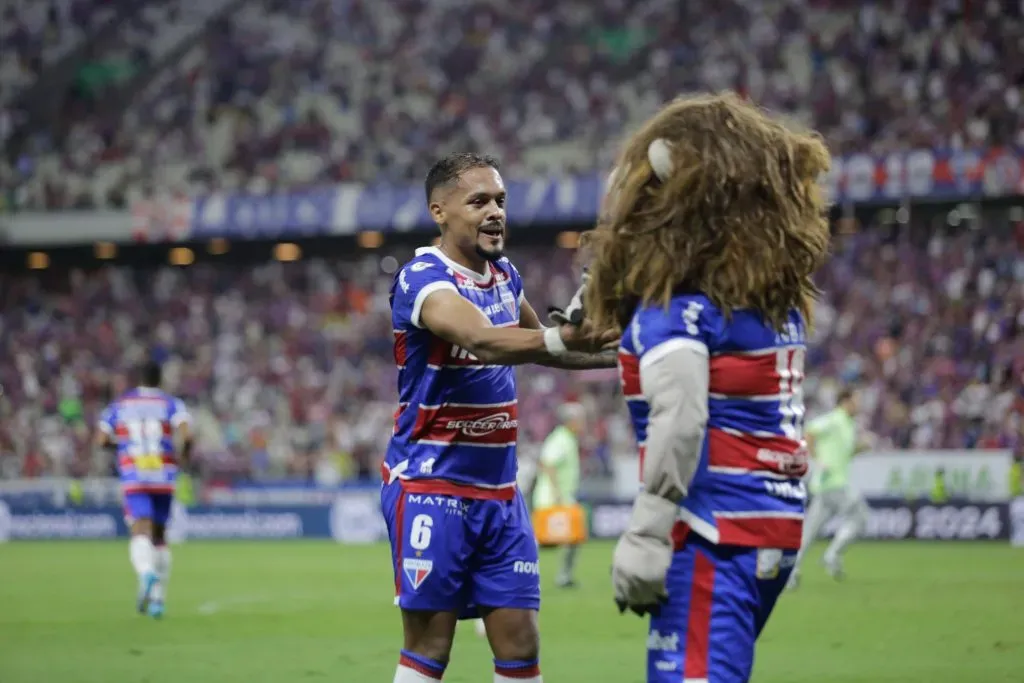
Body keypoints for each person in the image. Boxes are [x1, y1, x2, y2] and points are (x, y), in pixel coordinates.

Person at [584, 92, 832, 682]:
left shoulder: (678, 314)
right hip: (772, 525)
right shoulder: (771, 309)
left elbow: (682, 417)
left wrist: (646, 529)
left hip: (710, 531)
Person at [382, 152, 617, 683]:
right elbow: (484, 341)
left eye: (501, 201)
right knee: (429, 645)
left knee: (519, 640)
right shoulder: (423, 278)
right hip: (431, 485)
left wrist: (631, 351)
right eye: (479, 201)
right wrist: (565, 335)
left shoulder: (505, 276)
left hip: (500, 492)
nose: (495, 212)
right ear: (439, 211)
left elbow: (547, 349)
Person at [95, 361, 192, 619]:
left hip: (135, 474)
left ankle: (146, 572)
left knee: (140, 529)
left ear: (138, 380)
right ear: (160, 380)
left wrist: (124, 447)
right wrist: (182, 457)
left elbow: (102, 440)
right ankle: (159, 601)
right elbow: (188, 435)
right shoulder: (172, 404)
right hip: (164, 473)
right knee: (160, 537)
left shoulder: (120, 405)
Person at [788, 388, 874, 587]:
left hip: (827, 485)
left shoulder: (848, 424)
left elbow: (845, 453)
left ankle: (790, 571)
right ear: (845, 401)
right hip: (833, 483)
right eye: (856, 400)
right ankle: (832, 554)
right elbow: (810, 430)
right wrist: (816, 459)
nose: (859, 404)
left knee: (809, 531)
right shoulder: (835, 419)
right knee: (860, 516)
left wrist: (861, 448)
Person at [532, 402, 587, 588]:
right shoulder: (560, 439)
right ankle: (518, 571)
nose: (583, 423)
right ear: (571, 421)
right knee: (542, 540)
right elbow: (547, 463)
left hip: (563, 498)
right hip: (552, 499)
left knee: (573, 538)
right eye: (580, 420)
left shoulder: (567, 438)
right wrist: (556, 493)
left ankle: (564, 576)